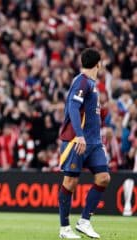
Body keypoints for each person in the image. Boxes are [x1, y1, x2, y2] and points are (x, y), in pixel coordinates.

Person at [58, 48, 111, 239]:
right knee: (70, 182)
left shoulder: (91, 84)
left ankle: (84, 221)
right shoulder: (82, 81)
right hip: (76, 141)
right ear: (98, 63)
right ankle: (64, 228)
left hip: (94, 142)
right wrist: (79, 135)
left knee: (103, 178)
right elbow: (73, 106)